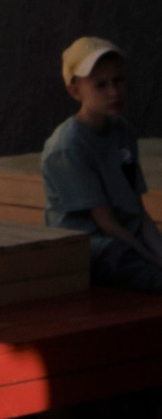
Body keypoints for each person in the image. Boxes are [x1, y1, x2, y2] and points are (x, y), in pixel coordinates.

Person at [44, 36, 162, 292]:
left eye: (118, 80)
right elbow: (105, 222)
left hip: (127, 238)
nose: (114, 92)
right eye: (101, 85)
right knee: (139, 270)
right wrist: (150, 259)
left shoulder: (122, 131)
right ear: (75, 91)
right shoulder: (68, 147)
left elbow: (138, 211)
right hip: (93, 246)